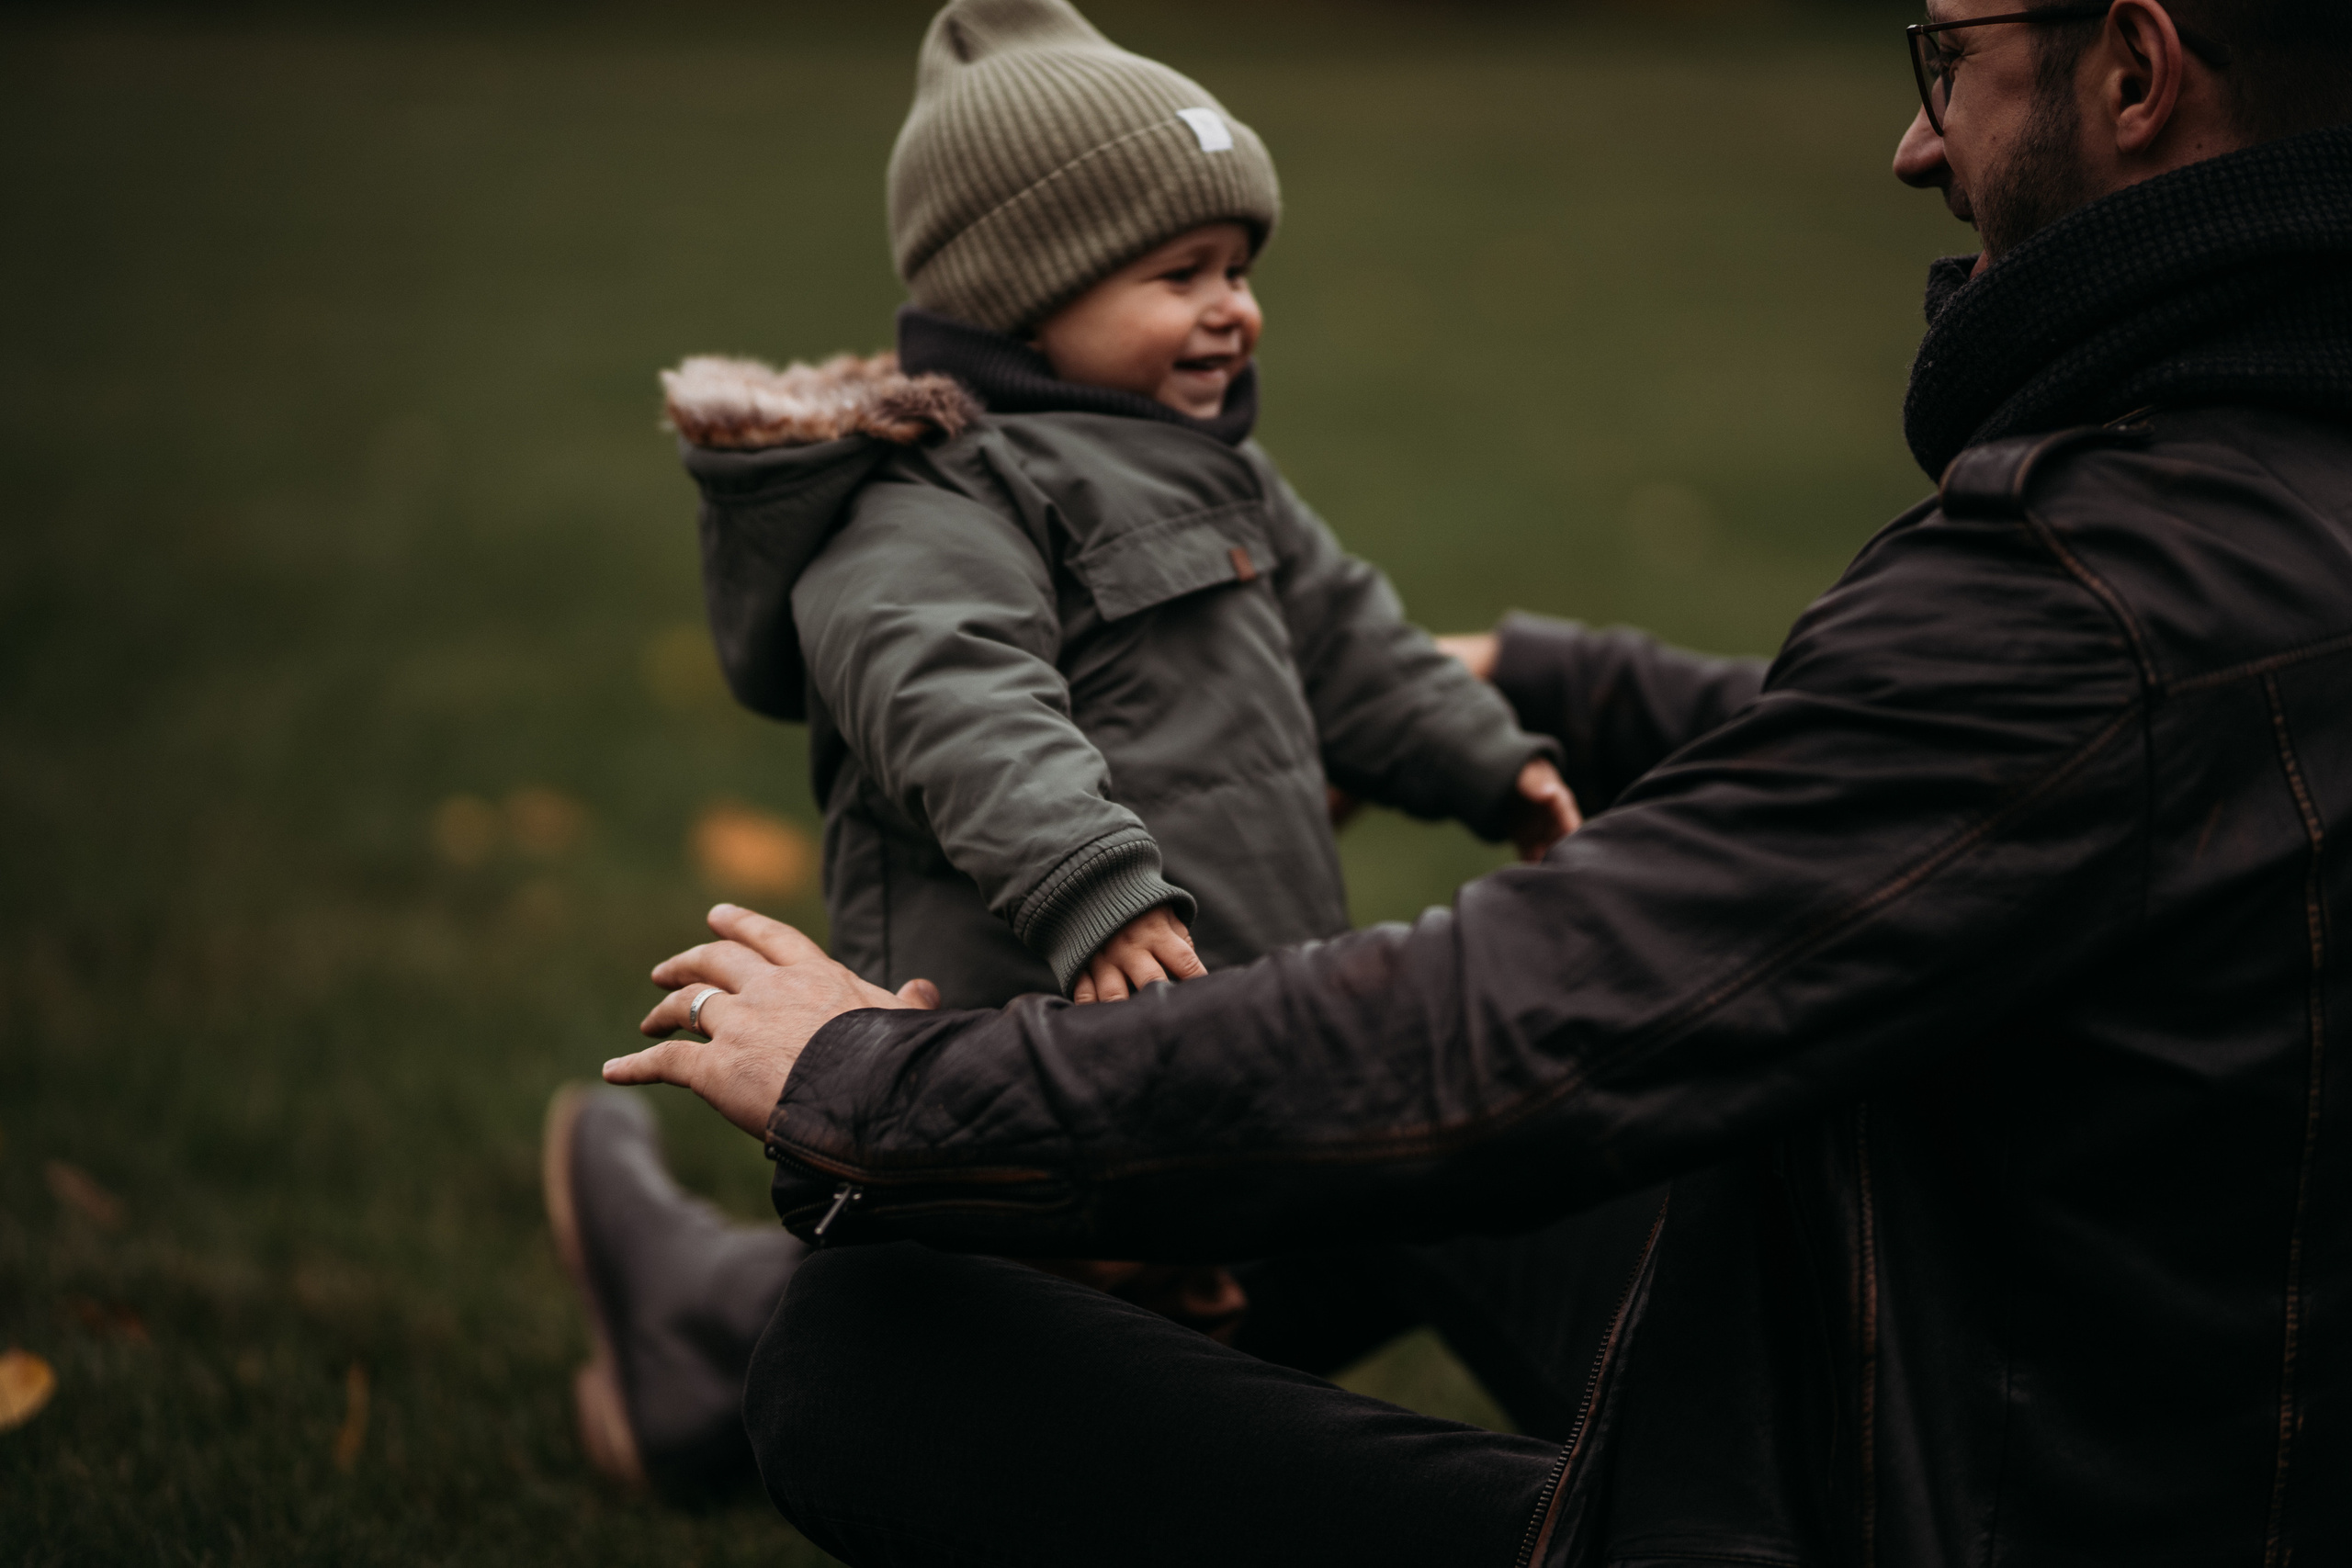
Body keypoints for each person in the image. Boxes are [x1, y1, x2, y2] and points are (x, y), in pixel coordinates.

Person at [606, 0, 2352, 1562]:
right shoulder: (2248, 524)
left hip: (1948, 1492)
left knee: (871, 1357)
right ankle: (740, 1311)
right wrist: (1544, 694)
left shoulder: (2088, 595)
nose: (1912, 142)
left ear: (2135, 69)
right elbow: (1968, 769)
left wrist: (880, 1088)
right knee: (1323, 1128)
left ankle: (744, 1322)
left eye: (1946, 59)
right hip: (2086, 1404)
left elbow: (1499, 1033)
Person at [544, 0, 1577, 1500]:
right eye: (1182, 275)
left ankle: (687, 1352)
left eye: (1241, 268)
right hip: (1016, 1026)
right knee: (1040, 1313)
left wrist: (1494, 763)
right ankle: (719, 1328)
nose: (1237, 309)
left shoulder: (1215, 469)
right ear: (1027, 296)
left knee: (1184, 1305)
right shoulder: (935, 501)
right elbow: (952, 699)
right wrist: (1094, 884)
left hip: (1206, 1023)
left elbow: (1351, 635)